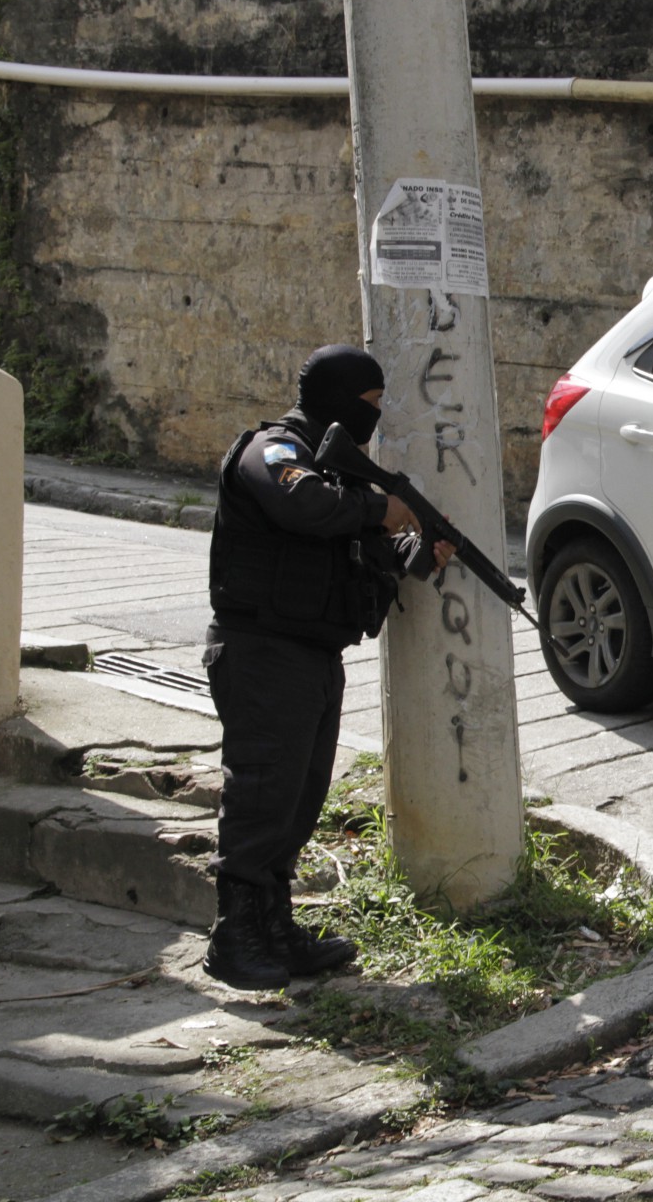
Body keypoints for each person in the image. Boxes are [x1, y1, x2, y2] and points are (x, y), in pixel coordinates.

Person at [201, 343, 454, 990]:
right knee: (261, 794)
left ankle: (275, 931)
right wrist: (381, 508)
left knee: (298, 799)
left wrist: (419, 549)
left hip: (310, 653)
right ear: (336, 398)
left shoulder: (341, 472)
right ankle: (234, 939)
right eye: (367, 403)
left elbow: (366, 550)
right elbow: (303, 507)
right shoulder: (275, 452)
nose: (374, 416)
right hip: (261, 652)